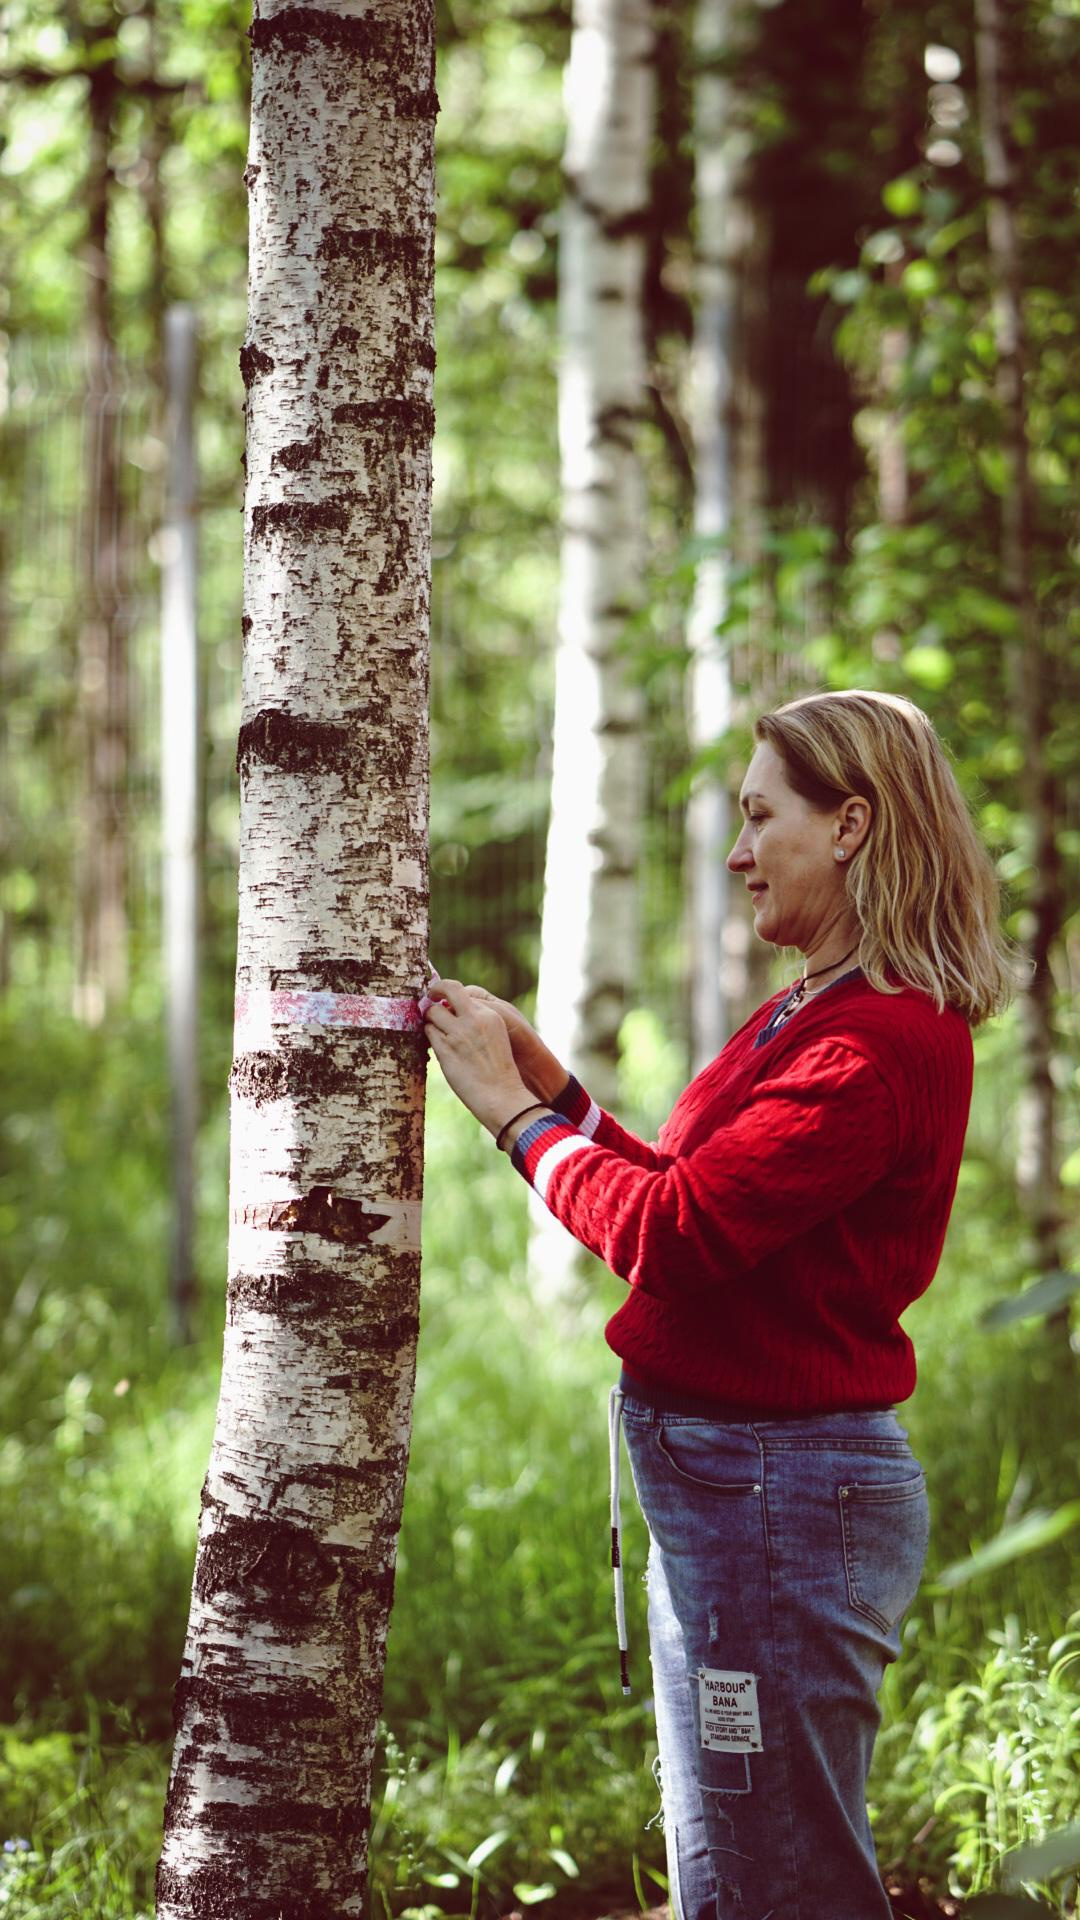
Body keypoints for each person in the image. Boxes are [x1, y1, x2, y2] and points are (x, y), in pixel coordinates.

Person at [423, 689, 1014, 1920]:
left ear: (850, 827)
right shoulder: (811, 1007)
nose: (739, 853)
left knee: (772, 1880)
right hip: (742, 1493)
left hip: (776, 1502)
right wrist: (562, 1096)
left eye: (759, 818)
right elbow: (709, 1196)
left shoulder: (876, 1045)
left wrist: (512, 1122)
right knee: (739, 1863)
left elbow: (675, 1238)